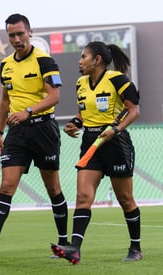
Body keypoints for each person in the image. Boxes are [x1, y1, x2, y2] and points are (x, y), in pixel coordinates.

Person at [0, 13, 68, 262]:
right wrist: (0, 131)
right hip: (17, 133)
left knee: (53, 187)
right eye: (11, 35)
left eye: (20, 33)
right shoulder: (5, 65)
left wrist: (28, 112)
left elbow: (54, 97)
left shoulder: (45, 61)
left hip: (43, 129)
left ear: (30, 32)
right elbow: (4, 100)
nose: (16, 39)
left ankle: (65, 243)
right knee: (7, 185)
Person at [51, 41, 141, 264]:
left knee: (125, 199)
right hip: (91, 143)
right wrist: (74, 123)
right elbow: (83, 113)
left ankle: (135, 249)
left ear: (97, 60)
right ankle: (74, 249)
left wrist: (116, 130)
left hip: (116, 143)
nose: (80, 61)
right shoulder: (81, 83)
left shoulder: (118, 80)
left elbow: (134, 111)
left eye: (83, 57)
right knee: (83, 197)